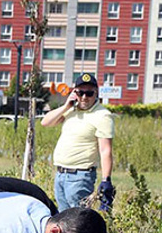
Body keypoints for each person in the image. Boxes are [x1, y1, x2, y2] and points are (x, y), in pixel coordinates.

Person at [40, 72, 115, 212]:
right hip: (61, 174)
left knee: (78, 220)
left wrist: (106, 180)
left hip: (80, 177)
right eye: (80, 93)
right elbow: (45, 122)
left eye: (89, 93)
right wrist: (66, 106)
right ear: (75, 93)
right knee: (64, 220)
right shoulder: (71, 111)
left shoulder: (102, 115)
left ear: (96, 93)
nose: (84, 97)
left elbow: (105, 151)